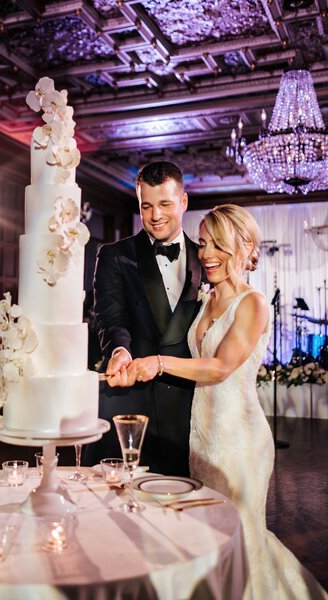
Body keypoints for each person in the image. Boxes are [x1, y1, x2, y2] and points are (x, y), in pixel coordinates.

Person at [111, 204, 327, 599]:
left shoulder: (254, 303)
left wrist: (158, 363)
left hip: (239, 442)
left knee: (241, 541)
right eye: (205, 243)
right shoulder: (205, 299)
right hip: (203, 436)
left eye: (218, 246)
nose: (206, 254)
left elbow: (221, 367)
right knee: (210, 539)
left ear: (243, 249)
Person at [83, 161, 204, 476]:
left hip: (190, 407)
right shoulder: (114, 255)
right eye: (146, 206)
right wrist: (118, 350)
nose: (155, 215)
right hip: (130, 403)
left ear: (184, 201)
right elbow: (109, 316)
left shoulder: (207, 259)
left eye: (165, 204)